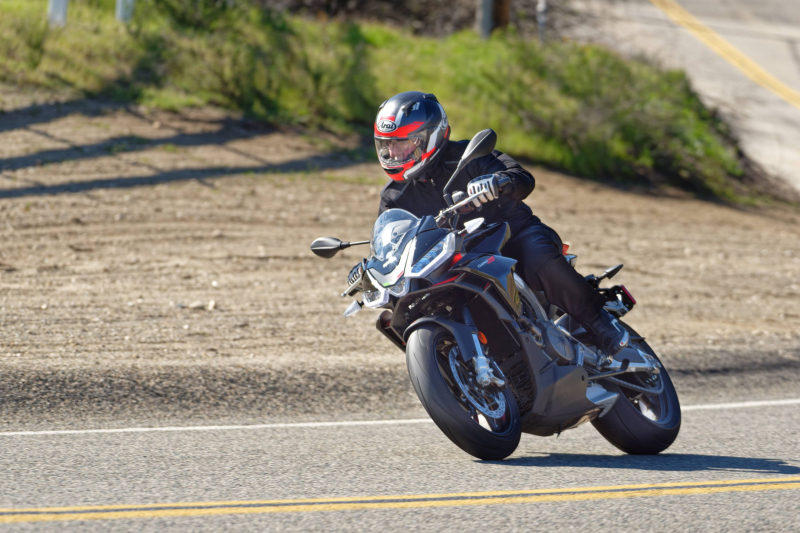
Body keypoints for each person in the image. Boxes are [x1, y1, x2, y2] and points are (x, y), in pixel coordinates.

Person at [349, 91, 629, 356]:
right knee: (403, 310)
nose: (394, 153)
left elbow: (522, 178)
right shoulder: (394, 197)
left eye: (402, 143)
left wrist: (499, 181)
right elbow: (393, 242)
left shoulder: (470, 155)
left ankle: (601, 323)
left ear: (430, 137)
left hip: (513, 236)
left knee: (538, 259)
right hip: (453, 258)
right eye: (387, 145)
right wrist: (371, 268)